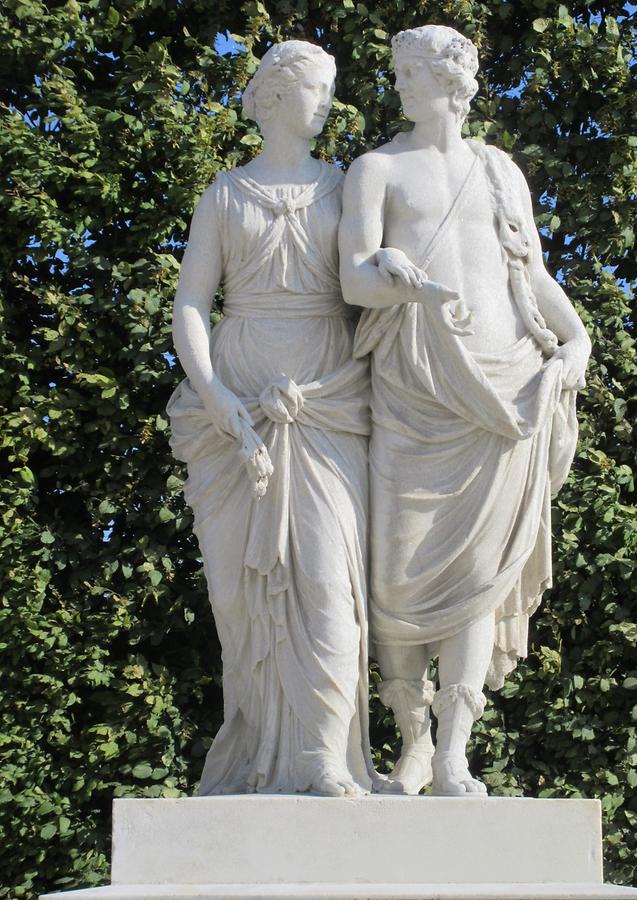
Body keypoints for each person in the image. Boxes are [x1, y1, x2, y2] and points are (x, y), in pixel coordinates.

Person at [339, 24, 591, 796]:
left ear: (451, 79)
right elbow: (353, 279)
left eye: (411, 72)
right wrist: (390, 270)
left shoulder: (497, 169)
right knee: (394, 574)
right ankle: (410, 736)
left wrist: (576, 335)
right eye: (398, 71)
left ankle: (453, 749)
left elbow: (532, 271)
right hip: (416, 382)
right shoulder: (376, 168)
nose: (400, 85)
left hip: (507, 385)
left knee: (482, 573)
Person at [167, 40, 373, 797]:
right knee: (236, 596)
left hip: (328, 397)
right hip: (235, 400)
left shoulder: (347, 187)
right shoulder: (225, 194)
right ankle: (258, 750)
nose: (325, 103)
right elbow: (192, 302)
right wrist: (217, 395)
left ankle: (323, 756)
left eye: (329, 90)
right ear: (276, 96)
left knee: (325, 580)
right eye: (315, 89)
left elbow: (375, 281)